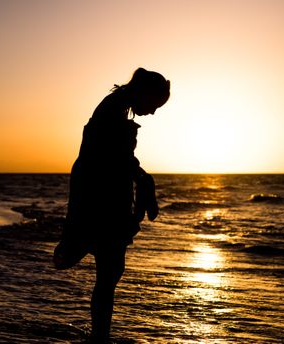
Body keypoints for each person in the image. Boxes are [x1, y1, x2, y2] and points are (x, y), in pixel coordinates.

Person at [54, 67, 170, 342]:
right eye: (154, 104)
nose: (153, 112)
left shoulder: (117, 107)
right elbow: (112, 156)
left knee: (111, 271)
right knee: (109, 271)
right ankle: (99, 337)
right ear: (145, 92)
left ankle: (99, 336)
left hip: (103, 194)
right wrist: (144, 181)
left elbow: (120, 157)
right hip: (100, 197)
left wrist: (142, 180)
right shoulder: (113, 109)